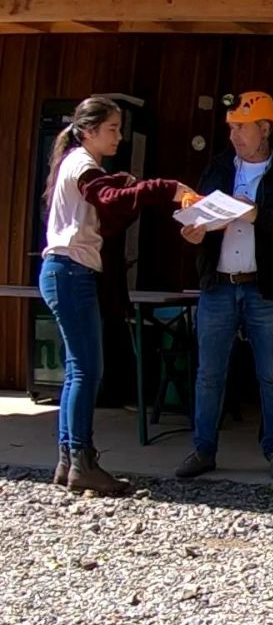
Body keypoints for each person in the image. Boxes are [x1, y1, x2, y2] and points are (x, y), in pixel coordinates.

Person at [38, 95, 191, 495]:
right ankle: (81, 462)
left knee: (77, 370)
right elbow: (111, 200)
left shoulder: (76, 164)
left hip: (64, 271)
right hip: (71, 273)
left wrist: (127, 183)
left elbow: (109, 202)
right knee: (88, 370)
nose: (119, 137)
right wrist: (166, 189)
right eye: (112, 129)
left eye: (120, 129)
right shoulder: (83, 166)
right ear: (88, 131)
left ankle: (70, 461)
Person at [176, 91, 273, 482]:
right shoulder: (217, 168)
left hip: (265, 289)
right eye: (231, 128)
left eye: (241, 128)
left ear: (265, 129)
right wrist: (195, 234)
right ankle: (203, 449)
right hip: (218, 285)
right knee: (208, 374)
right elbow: (197, 214)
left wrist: (257, 215)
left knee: (272, 374)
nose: (234, 135)